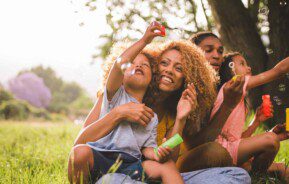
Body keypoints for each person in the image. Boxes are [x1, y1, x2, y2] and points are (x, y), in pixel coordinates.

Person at [68, 22, 185, 184]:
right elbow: (120, 62)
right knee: (79, 152)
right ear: (122, 76)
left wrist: (157, 153)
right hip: (102, 157)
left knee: (168, 166)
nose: (138, 65)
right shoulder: (114, 95)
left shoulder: (151, 116)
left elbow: (147, 149)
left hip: (132, 164)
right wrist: (144, 41)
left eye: (144, 65)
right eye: (132, 63)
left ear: (152, 78)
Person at [211, 52, 289, 175]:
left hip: (229, 151)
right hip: (219, 152)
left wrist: (256, 121)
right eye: (242, 64)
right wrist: (271, 137)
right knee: (270, 139)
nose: (249, 68)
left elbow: (237, 141)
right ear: (230, 70)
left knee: (284, 169)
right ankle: (253, 175)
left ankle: (250, 171)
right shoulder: (232, 86)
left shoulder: (239, 100)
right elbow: (278, 71)